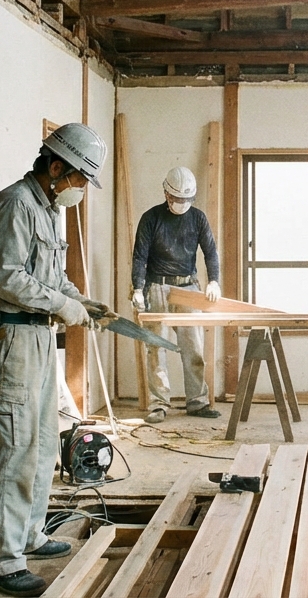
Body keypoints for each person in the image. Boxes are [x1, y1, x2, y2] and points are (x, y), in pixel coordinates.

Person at [0, 123, 110, 597]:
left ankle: (29, 534)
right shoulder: (15, 205)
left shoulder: (48, 209)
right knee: (14, 449)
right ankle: (3, 561)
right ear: (55, 167)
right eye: (77, 180)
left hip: (37, 339)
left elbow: (50, 277)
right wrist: (61, 306)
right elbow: (6, 276)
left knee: (43, 442)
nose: (78, 191)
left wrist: (83, 302)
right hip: (11, 337)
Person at [131, 166, 222, 424]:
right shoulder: (151, 218)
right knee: (156, 347)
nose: (182, 204)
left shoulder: (198, 218)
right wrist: (138, 288)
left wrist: (213, 281)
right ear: (166, 194)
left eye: (186, 200)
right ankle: (159, 404)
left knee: (193, 346)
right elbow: (140, 256)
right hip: (157, 287)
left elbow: (211, 252)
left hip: (188, 287)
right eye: (177, 199)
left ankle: (197, 402)